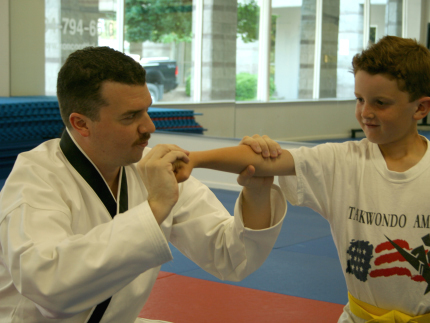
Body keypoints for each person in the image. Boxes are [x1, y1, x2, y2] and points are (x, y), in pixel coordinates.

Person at [176, 36, 430, 323]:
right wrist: (195, 159)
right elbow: (265, 161)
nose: (365, 112)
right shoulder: (341, 162)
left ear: (421, 107)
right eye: (359, 99)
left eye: (380, 103)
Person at [0, 46, 287, 322]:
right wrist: (155, 208)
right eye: (130, 116)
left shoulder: (149, 168)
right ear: (81, 124)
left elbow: (230, 256)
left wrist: (257, 190)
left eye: (147, 110)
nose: (149, 126)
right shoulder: (37, 179)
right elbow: (49, 289)